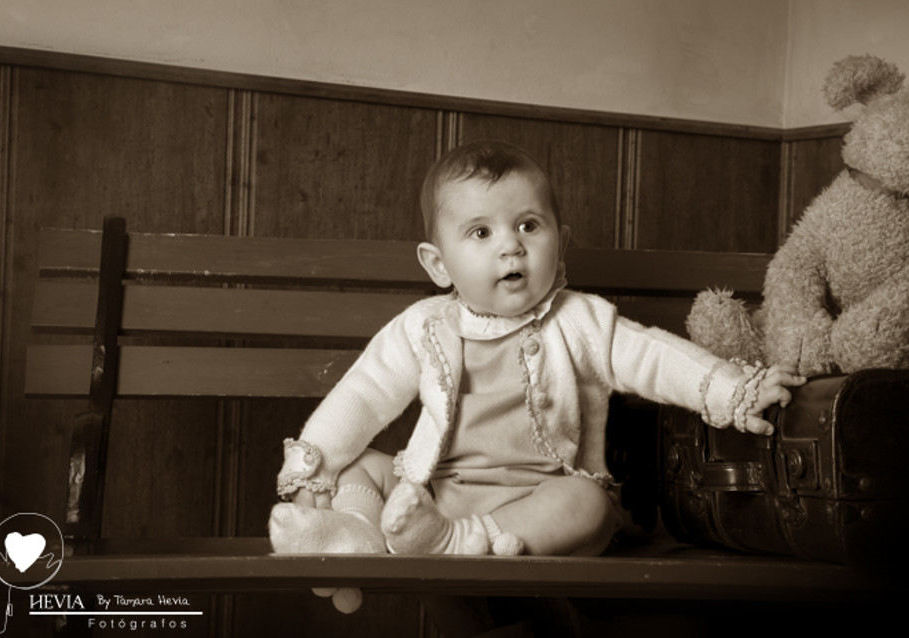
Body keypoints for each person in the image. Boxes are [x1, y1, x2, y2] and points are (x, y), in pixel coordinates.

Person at [269, 139, 805, 566]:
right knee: (359, 464)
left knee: (589, 505)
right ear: (438, 265)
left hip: (536, 505)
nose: (511, 245)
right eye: (480, 232)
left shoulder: (579, 320)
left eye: (528, 225)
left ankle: (457, 542)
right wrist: (309, 469)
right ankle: (356, 537)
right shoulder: (423, 327)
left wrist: (734, 389)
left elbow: (655, 357)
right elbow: (363, 394)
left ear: (561, 242)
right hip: (432, 497)